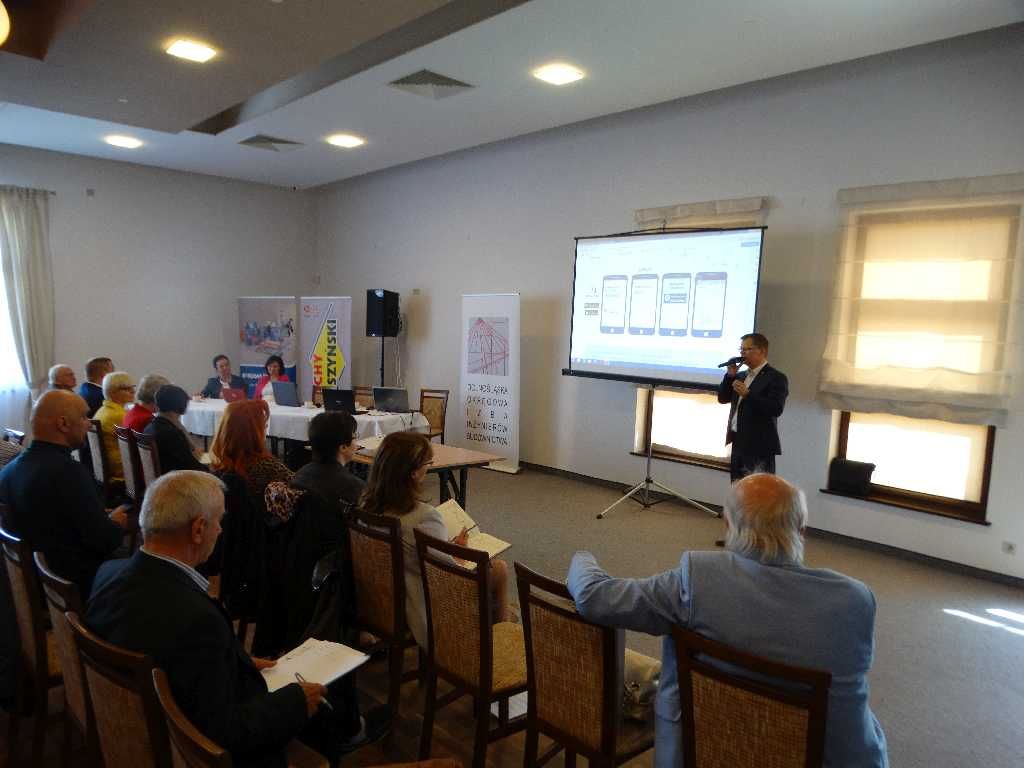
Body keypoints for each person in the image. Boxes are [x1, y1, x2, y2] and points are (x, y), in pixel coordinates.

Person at [567, 474, 889, 768]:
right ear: (802, 530)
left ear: (727, 523)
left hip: (698, 754)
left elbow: (596, 597)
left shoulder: (697, 580)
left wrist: (582, 556)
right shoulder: (854, 601)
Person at [85, 470, 369, 767]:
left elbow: (170, 655)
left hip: (138, 731)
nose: (221, 530)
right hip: (197, 751)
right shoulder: (196, 619)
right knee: (321, 716)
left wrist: (234, 660)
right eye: (219, 521)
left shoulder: (107, 574)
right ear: (198, 529)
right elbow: (226, 732)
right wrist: (296, 701)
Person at [359, 431, 511, 649]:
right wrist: (459, 554)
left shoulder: (365, 504)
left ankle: (496, 624)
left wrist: (447, 547)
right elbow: (445, 573)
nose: (429, 467)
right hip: (422, 602)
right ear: (413, 473)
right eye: (427, 463)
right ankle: (500, 643)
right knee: (499, 569)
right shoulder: (423, 516)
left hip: (381, 598)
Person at [0, 390, 129, 598]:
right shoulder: (68, 473)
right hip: (71, 586)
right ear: (63, 424)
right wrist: (115, 522)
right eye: (84, 417)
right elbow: (105, 541)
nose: (89, 424)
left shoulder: (9, 470)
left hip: (35, 582)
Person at [717, 333, 788, 481]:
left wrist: (748, 395)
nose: (743, 353)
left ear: (762, 351)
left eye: (747, 349)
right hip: (738, 441)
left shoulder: (776, 377)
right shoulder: (741, 375)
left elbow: (776, 408)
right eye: (741, 349)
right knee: (737, 487)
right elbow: (722, 398)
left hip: (759, 446)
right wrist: (730, 376)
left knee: (758, 490)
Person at [210, 399, 292, 509]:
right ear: (254, 432)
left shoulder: (218, 463)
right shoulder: (267, 467)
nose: (265, 430)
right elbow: (298, 491)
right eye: (264, 426)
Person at [291, 410, 364, 511]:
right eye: (355, 436)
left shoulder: (300, 474)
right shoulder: (353, 487)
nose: (357, 442)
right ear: (343, 447)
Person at [145, 385, 207, 473]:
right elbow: (194, 468)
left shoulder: (149, 427)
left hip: (160, 477)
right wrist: (209, 466)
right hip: (176, 478)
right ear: (182, 406)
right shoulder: (172, 434)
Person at [94, 371, 137, 483]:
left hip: (111, 466)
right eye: (126, 388)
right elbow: (136, 443)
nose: (133, 391)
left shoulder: (103, 410)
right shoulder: (118, 415)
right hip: (122, 469)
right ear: (112, 392)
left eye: (132, 387)